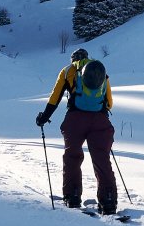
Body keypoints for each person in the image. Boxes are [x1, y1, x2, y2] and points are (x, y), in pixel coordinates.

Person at [35, 47, 116, 214]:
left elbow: (55, 97)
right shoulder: (100, 70)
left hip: (75, 119)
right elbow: (109, 102)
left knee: (72, 156)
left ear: (73, 59)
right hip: (100, 121)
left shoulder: (67, 71)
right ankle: (108, 201)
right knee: (102, 159)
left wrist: (44, 117)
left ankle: (72, 197)